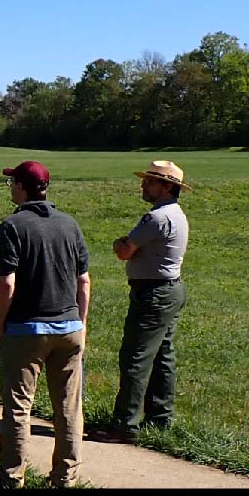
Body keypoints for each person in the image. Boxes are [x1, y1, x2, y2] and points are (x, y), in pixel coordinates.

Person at [0, 160, 90, 488]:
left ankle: (12, 478)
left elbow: (7, 283)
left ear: (22, 187)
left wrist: (0, 325)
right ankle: (65, 477)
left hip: (26, 329)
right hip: (69, 326)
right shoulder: (70, 224)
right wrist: (82, 322)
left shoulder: (13, 225)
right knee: (68, 409)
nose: (10, 188)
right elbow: (84, 281)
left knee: (19, 408)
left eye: (12, 183)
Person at [91, 161, 191, 444]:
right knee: (163, 356)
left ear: (167, 186)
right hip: (171, 290)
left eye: (150, 181)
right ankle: (160, 418)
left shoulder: (156, 218)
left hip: (153, 294)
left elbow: (124, 250)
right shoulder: (177, 214)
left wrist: (118, 244)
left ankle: (125, 425)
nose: (143, 185)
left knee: (135, 357)